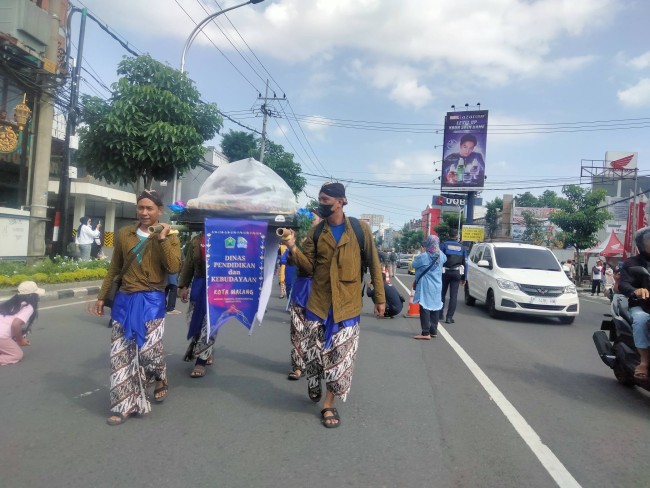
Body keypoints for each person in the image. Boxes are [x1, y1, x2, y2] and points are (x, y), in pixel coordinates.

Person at [285, 182, 385, 428]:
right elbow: (307, 267)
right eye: (320, 200)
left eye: (326, 200)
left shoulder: (360, 230)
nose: (322, 205)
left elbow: (373, 263)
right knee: (314, 354)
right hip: (318, 303)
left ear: (341, 201)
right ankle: (314, 379)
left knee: (340, 359)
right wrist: (292, 247)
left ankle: (329, 404)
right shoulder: (317, 233)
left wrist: (380, 298)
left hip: (347, 306)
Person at [93, 189, 181, 426]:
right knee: (121, 354)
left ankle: (159, 376)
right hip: (125, 299)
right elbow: (114, 268)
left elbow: (173, 267)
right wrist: (102, 296)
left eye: (149, 208)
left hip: (152, 301)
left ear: (159, 211)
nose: (144, 212)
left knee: (149, 352)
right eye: (140, 207)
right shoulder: (125, 234)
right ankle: (124, 405)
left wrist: (162, 238)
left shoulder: (171, 236)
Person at [286, 208, 323, 381]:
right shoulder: (299, 238)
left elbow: (314, 267)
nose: (308, 220)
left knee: (315, 333)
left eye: (313, 218)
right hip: (301, 289)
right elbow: (290, 261)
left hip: (319, 290)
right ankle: (298, 365)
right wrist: (293, 246)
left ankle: (315, 362)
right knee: (297, 330)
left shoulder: (325, 240)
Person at [179, 231, 214, 378]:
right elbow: (188, 264)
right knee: (194, 321)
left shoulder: (225, 236)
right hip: (199, 285)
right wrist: (184, 286)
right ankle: (207, 349)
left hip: (218, 287)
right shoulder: (196, 240)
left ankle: (201, 360)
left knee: (210, 323)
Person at [618, 227, 650, 381]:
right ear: (642, 244)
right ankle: (644, 362)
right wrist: (636, 290)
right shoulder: (632, 263)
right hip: (641, 305)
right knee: (641, 320)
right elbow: (623, 284)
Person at [0, 281, 44, 365]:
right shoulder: (29, 307)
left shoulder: (9, 303)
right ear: (32, 295)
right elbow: (15, 324)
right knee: (16, 355)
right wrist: (20, 340)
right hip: (1, 336)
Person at [413, 235, 447, 340]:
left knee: (425, 307)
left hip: (426, 285)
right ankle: (433, 331)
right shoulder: (442, 255)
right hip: (437, 285)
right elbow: (445, 260)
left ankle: (425, 332)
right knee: (435, 307)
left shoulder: (424, 256)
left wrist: (422, 252)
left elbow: (414, 264)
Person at [440, 233, 467, 324]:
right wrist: (464, 277)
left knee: (442, 293)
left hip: (444, 272)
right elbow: (464, 263)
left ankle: (440, 314)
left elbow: (439, 259)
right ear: (456, 237)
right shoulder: (462, 247)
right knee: (453, 296)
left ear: (448, 235)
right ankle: (449, 317)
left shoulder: (443, 245)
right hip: (456, 273)